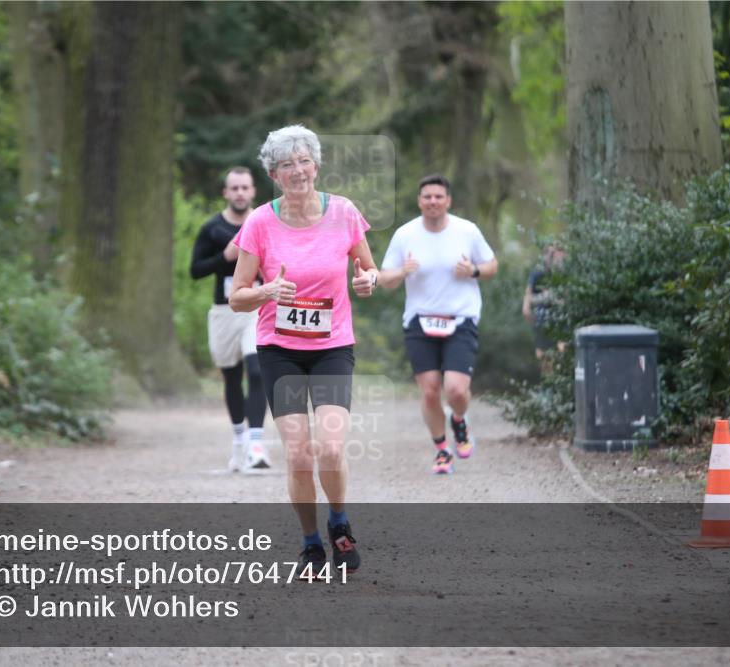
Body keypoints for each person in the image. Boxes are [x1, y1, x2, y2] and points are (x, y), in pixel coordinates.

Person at [229, 125, 377, 576]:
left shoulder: (345, 213)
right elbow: (237, 295)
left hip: (332, 346)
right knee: (298, 454)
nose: (298, 171)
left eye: (304, 161)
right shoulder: (260, 222)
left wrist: (367, 280)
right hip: (280, 349)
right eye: (287, 164)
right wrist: (268, 289)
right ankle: (311, 543)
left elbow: (370, 271)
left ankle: (339, 522)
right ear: (274, 174)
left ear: (317, 164)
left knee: (331, 449)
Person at [378, 174, 498, 475]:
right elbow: (384, 280)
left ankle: (459, 420)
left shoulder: (466, 231)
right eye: (427, 197)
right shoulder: (405, 235)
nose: (432, 201)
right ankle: (442, 449)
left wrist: (472, 270)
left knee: (455, 390)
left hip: (461, 318)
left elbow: (492, 266)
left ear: (448, 201)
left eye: (438, 196)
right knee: (430, 391)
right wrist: (402, 272)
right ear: (419, 201)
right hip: (420, 321)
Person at [190, 167, 270, 471]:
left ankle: (257, 443)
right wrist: (225, 258)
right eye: (233, 188)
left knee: (257, 369)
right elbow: (195, 271)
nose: (239, 193)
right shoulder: (212, 228)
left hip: (256, 306)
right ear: (225, 193)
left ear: (253, 192)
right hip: (224, 311)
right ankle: (239, 440)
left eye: (244, 188)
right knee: (232, 377)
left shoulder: (263, 225)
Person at [522, 244, 567, 374]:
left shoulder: (564, 273)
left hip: (561, 319)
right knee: (543, 356)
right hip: (542, 319)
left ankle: (559, 381)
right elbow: (528, 295)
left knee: (561, 350)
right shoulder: (538, 272)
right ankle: (549, 383)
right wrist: (527, 309)